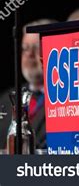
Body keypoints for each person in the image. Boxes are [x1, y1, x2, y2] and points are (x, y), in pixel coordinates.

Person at [0, 18, 57, 150]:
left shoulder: (66, 99)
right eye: (25, 48)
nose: (29, 54)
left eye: (37, 47)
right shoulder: (4, 100)